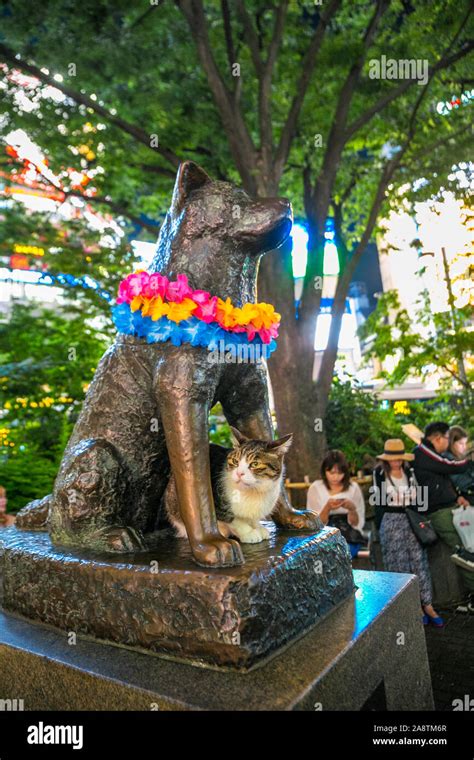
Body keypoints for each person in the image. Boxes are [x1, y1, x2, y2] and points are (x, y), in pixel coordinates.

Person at [373, 438, 442, 627]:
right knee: (398, 563)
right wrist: (380, 527)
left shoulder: (410, 471)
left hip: (411, 519)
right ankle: (411, 606)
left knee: (419, 560)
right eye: (392, 459)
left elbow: (419, 495)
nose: (396, 462)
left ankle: (427, 604)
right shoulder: (379, 473)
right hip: (391, 521)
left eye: (399, 458)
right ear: (386, 459)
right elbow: (378, 501)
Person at [413, 421, 473, 611]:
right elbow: (448, 466)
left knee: (467, 548)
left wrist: (458, 497)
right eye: (448, 438)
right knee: (463, 551)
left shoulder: (428, 452)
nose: (448, 443)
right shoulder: (423, 451)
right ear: (438, 437)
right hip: (439, 512)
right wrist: (469, 461)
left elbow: (443, 475)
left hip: (450, 508)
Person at [307, 450, 366, 558]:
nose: (335, 477)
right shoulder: (316, 487)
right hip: (323, 534)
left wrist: (352, 509)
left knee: (343, 553)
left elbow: (357, 523)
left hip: (349, 534)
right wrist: (327, 508)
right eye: (331, 473)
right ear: (324, 471)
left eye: (340, 473)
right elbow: (314, 523)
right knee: (324, 554)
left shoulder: (353, 488)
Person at [445, 426, 474, 503]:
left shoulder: (459, 457)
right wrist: (471, 463)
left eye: (465, 443)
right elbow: (461, 482)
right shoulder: (448, 458)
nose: (464, 447)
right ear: (451, 443)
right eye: (461, 443)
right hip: (465, 495)